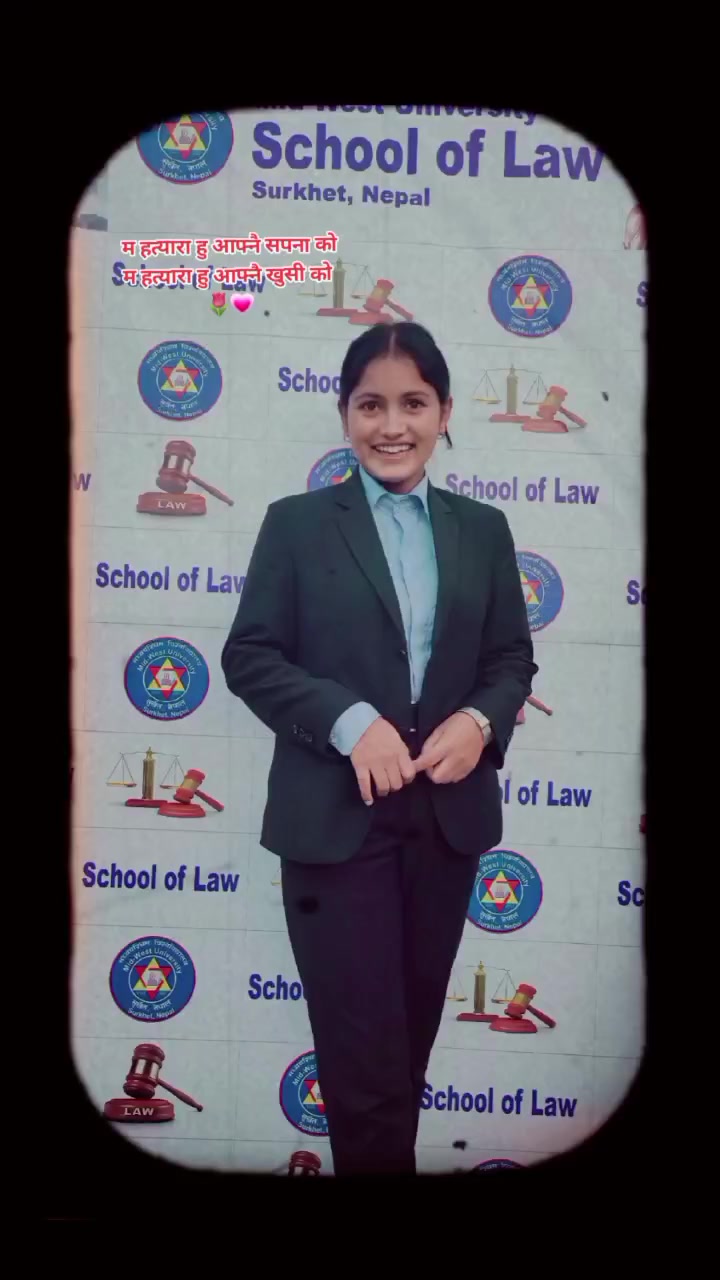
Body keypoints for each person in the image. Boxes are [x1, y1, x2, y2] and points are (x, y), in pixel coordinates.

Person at [222, 322, 537, 1176]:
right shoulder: (295, 525)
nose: (391, 426)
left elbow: (511, 659)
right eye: (370, 405)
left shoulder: (484, 529)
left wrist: (480, 723)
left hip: (445, 828)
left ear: (444, 413)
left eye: (413, 404)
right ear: (344, 414)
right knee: (363, 1075)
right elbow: (250, 656)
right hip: (335, 829)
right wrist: (348, 720)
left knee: (402, 1063)